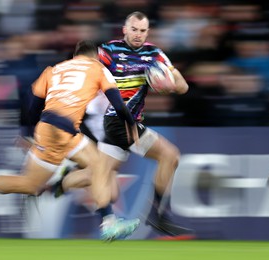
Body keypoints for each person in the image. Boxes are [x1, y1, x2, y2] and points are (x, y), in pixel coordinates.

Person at [0, 40, 140, 241]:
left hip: (48, 127)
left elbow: (32, 106)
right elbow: (118, 103)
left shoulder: (53, 70)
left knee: (30, 185)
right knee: (100, 164)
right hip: (66, 127)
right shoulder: (98, 68)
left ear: (75, 55)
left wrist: (33, 133)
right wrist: (131, 126)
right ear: (95, 56)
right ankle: (108, 223)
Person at [57, 11, 194, 237]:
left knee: (99, 174)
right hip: (118, 122)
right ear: (124, 29)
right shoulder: (109, 51)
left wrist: (167, 83)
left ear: (147, 32)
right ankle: (156, 215)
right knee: (170, 155)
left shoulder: (154, 54)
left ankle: (61, 181)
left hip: (121, 123)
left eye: (142, 31)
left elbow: (183, 87)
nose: (138, 35)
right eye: (134, 29)